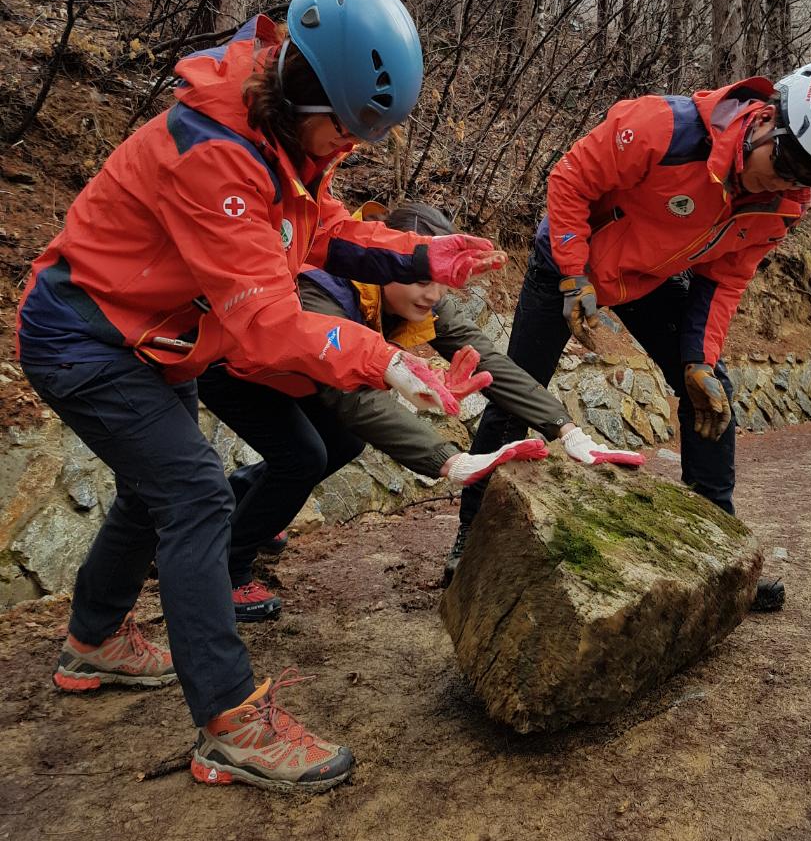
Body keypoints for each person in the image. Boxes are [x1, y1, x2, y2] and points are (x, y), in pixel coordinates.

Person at [16, 0, 503, 795]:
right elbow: (270, 322)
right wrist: (389, 363)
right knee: (195, 494)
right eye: (346, 128)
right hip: (85, 335)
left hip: (152, 336)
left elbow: (323, 232)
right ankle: (231, 724)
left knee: (153, 492)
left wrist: (419, 255)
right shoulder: (215, 156)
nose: (351, 146)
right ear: (307, 93)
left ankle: (93, 642)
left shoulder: (279, 138)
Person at [444, 58, 811, 608]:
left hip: (647, 278)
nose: (787, 180)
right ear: (769, 117)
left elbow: (725, 279)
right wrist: (574, 274)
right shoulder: (664, 128)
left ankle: (719, 555)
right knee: (517, 391)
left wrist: (699, 359)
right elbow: (570, 179)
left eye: (809, 176)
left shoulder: (781, 205)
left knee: (711, 394)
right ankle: (470, 538)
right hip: (567, 262)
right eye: (788, 159)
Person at [199, 201, 646, 615]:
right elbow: (351, 397)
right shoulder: (323, 288)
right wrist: (449, 460)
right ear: (385, 262)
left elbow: (487, 359)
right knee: (303, 457)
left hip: (295, 373)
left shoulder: (416, 299)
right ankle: (227, 569)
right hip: (230, 364)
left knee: (342, 444)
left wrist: (566, 428)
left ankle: (248, 506)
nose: (432, 294)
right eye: (420, 279)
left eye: (439, 281)